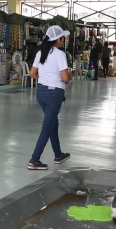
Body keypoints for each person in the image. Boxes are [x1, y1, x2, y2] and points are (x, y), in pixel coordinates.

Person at [27, 25, 71, 170]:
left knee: (53, 123)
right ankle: (34, 160)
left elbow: (32, 73)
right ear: (57, 40)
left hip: (41, 92)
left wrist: (43, 80)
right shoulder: (60, 54)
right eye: (62, 38)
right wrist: (70, 75)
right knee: (47, 127)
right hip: (54, 94)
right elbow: (65, 78)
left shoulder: (41, 52)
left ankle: (58, 155)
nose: (63, 40)